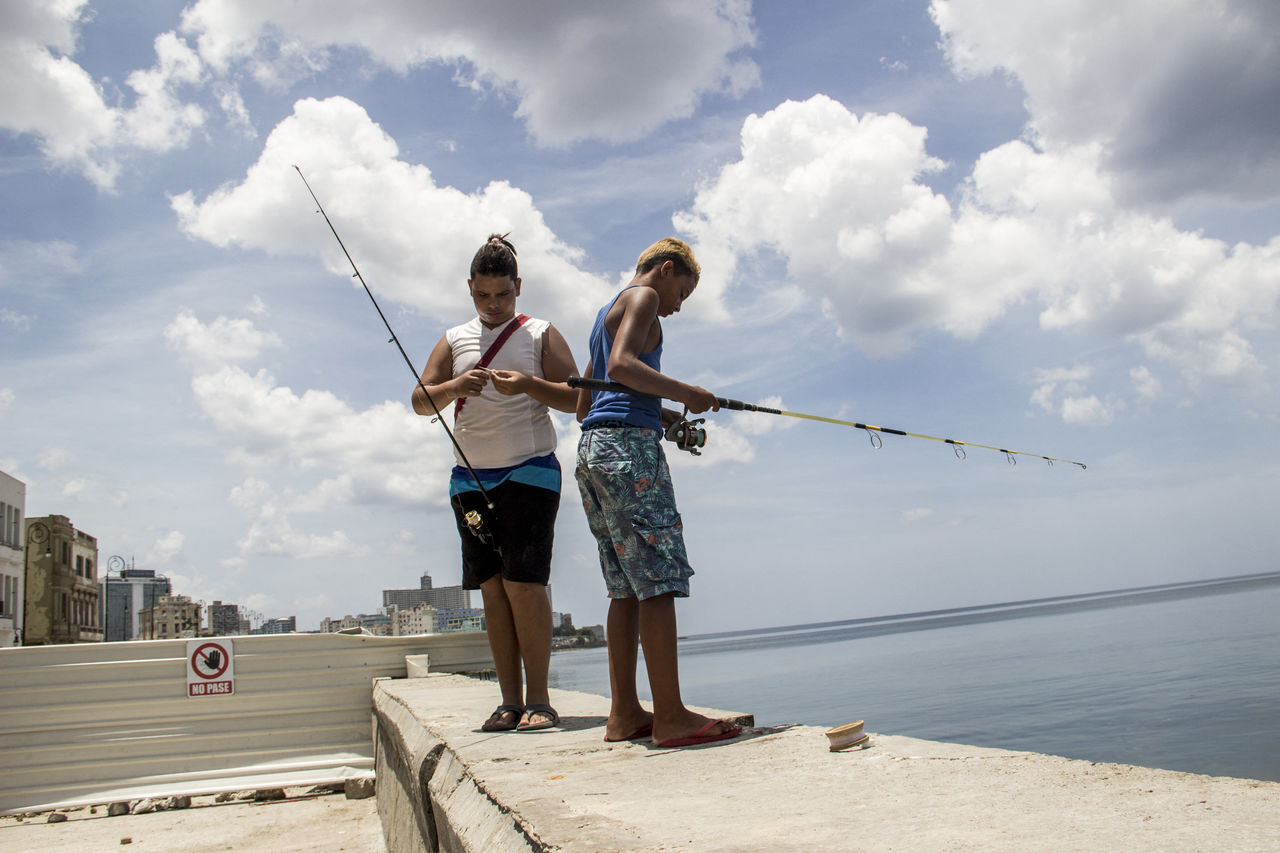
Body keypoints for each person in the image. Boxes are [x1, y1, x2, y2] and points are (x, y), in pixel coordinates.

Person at [574, 237, 743, 748]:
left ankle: (624, 713)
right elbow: (625, 366)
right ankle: (670, 716)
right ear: (667, 270)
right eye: (682, 295)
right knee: (659, 580)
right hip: (629, 454)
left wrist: (659, 413)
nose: (676, 307)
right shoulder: (643, 298)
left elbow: (586, 403)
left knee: (624, 588)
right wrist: (686, 393)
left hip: (594, 450)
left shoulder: (605, 310)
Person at [412, 233, 579, 733]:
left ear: (518, 287)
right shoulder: (454, 338)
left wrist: (529, 384)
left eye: (502, 294)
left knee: (525, 584)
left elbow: (575, 398)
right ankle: (508, 701)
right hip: (468, 479)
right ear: (470, 289)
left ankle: (540, 700)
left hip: (529, 468)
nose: (492, 304)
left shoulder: (541, 333)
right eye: (483, 295)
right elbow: (422, 401)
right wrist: (454, 387)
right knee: (492, 588)